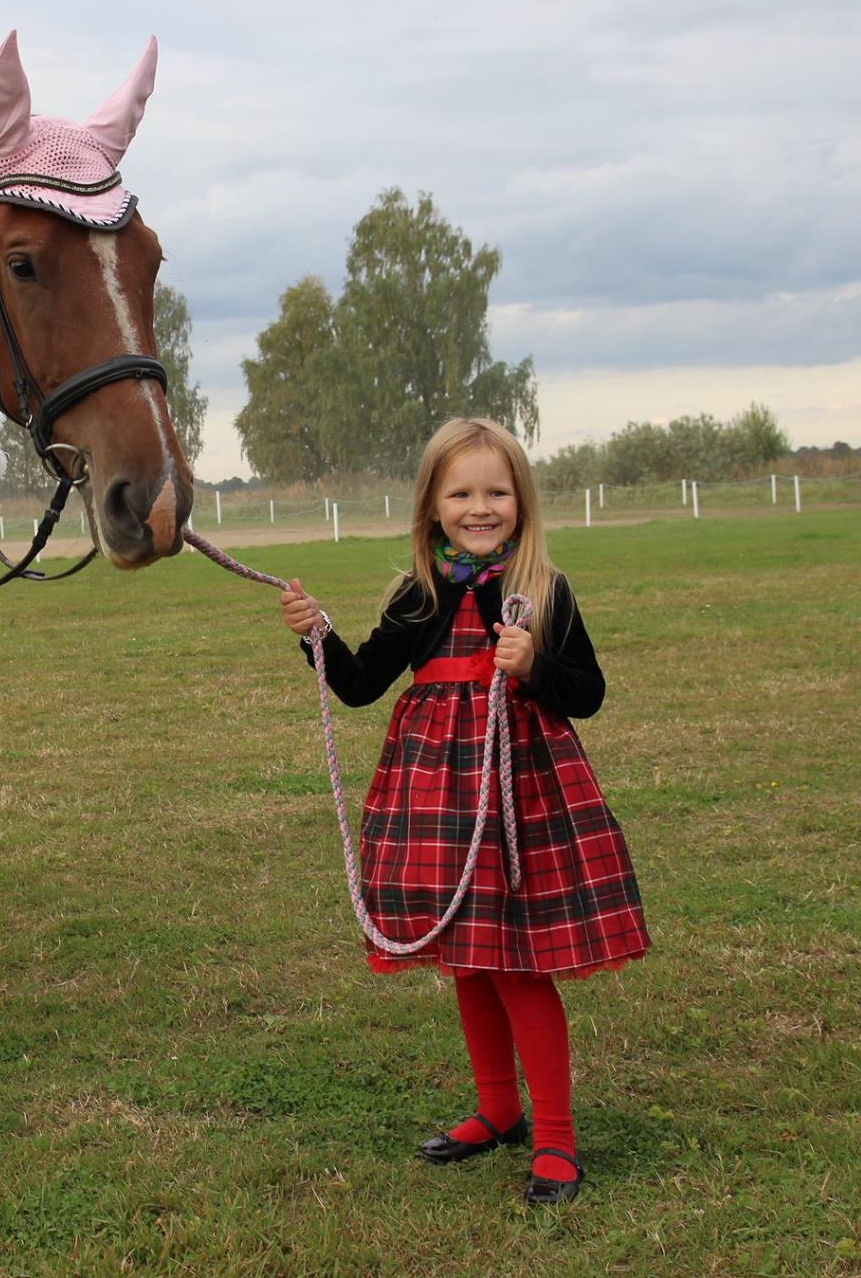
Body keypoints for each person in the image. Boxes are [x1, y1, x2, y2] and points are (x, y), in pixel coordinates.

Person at [277, 417, 649, 1204]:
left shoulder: (544, 590)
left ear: (521, 500)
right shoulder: (418, 594)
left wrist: (534, 663)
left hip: (522, 796)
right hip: (439, 796)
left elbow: (587, 691)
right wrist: (318, 637)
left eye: (496, 492)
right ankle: (498, 1108)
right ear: (432, 506)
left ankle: (556, 1138)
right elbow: (359, 683)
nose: (480, 508)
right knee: (470, 956)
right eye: (461, 494)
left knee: (517, 961)